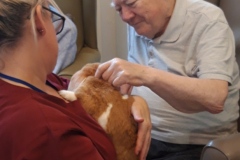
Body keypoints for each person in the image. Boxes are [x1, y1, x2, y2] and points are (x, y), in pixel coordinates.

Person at [0, 0, 151, 159]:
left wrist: (134, 101)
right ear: (39, 22)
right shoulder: (50, 133)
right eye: (53, 18)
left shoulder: (41, 81)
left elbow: (78, 96)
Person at [95, 0, 240, 159]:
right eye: (118, 9)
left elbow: (215, 98)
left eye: (131, 3)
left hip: (194, 144)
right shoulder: (139, 22)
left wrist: (145, 74)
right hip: (141, 133)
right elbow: (133, 84)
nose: (126, 16)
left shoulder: (208, 19)